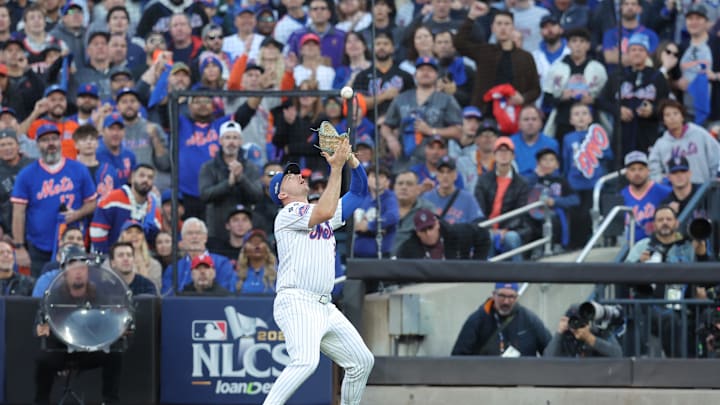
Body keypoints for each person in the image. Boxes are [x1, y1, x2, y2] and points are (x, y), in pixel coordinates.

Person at [262, 139, 374, 405]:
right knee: (305, 361)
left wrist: (351, 160)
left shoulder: (316, 211)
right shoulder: (288, 213)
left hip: (324, 306)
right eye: (290, 176)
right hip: (298, 300)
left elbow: (359, 192)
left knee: (361, 361)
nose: (298, 175)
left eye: (297, 172)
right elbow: (324, 210)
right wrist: (336, 168)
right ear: (281, 193)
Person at [34, 247, 123, 405]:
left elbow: (110, 321)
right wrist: (43, 328)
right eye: (73, 267)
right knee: (43, 359)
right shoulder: (51, 295)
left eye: (82, 268)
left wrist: (117, 327)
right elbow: (38, 328)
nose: (78, 272)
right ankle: (41, 401)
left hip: (91, 348)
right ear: (63, 272)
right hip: (61, 349)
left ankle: (111, 401)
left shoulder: (99, 294)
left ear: (88, 272)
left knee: (115, 354)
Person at [11, 124, 97, 277]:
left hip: (73, 246)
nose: (50, 143)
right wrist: (19, 247)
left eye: (54, 139)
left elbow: (92, 203)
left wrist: (77, 214)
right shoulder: (26, 174)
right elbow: (18, 212)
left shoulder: (78, 169)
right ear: (37, 144)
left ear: (60, 141)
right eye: (45, 140)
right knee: (40, 291)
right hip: (38, 247)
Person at [624, 205, 710, 357]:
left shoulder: (688, 246)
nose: (665, 222)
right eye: (660, 219)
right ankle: (678, 368)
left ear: (676, 223)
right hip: (650, 305)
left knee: (697, 316)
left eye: (669, 219)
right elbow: (622, 276)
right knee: (670, 318)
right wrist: (640, 263)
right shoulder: (643, 246)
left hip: (684, 306)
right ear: (654, 224)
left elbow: (710, 278)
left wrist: (702, 255)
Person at [453, 6, 541, 115]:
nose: (502, 28)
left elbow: (535, 89)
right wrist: (471, 17)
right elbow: (459, 43)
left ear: (513, 28)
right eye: (499, 24)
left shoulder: (525, 57)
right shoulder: (484, 51)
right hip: (485, 113)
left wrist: (523, 98)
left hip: (514, 114)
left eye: (507, 24)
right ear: (492, 28)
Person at [596, 32, 670, 155]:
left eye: (641, 50)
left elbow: (667, 105)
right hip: (621, 138)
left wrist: (653, 110)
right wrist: (617, 110)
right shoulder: (617, 76)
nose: (637, 53)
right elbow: (601, 101)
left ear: (647, 53)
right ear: (628, 53)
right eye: (633, 49)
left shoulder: (657, 77)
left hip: (648, 136)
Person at [382, 57, 463, 166]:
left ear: (436, 75)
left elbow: (458, 131)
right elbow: (386, 125)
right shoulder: (402, 98)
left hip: (435, 164)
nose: (425, 73)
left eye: (430, 70)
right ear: (415, 75)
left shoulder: (446, 99)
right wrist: (391, 139)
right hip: (404, 162)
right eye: (421, 70)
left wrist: (431, 131)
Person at [199, 120, 263, 239]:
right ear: (220, 141)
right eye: (227, 137)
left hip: (244, 232)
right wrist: (228, 184)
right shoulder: (208, 167)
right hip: (217, 230)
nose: (231, 142)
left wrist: (241, 179)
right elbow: (205, 195)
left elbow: (257, 196)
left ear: (241, 141)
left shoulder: (250, 167)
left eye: (235, 138)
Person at [475, 137, 537, 261]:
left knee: (511, 238)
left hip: (514, 228)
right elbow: (478, 209)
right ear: (494, 155)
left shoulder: (522, 183)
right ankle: (485, 277)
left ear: (513, 155)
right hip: (488, 227)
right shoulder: (483, 180)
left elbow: (521, 212)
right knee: (488, 237)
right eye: (500, 151)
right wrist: (491, 229)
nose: (503, 155)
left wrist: (505, 230)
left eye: (507, 151)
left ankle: (517, 276)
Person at [561, 103, 614, 249]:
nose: (581, 117)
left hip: (593, 182)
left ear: (591, 118)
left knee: (590, 214)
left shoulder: (598, 135)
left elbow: (608, 155)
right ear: (570, 120)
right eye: (576, 114)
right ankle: (574, 245)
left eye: (584, 113)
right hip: (574, 183)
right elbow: (565, 160)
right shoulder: (568, 138)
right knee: (575, 215)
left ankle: (592, 242)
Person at [452, 282, 551, 356]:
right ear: (494, 295)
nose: (506, 302)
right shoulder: (477, 320)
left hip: (522, 379)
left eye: (511, 297)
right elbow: (458, 356)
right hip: (487, 380)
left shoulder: (529, 319)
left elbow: (550, 350)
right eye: (502, 296)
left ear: (517, 297)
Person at [90, 163, 162, 254]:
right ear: (132, 178)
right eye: (141, 175)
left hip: (140, 262)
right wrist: (108, 258)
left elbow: (154, 241)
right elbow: (97, 232)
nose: (145, 180)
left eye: (150, 177)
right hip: (110, 260)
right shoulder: (112, 199)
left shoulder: (154, 209)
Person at [648, 100, 720, 184]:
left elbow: (717, 157)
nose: (672, 117)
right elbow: (652, 171)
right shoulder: (660, 144)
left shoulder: (699, 134)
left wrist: (714, 182)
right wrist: (664, 182)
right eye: (667, 115)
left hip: (704, 190)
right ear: (663, 121)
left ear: (682, 116)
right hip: (676, 193)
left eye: (675, 113)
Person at [161, 217, 236, 294]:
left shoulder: (222, 263)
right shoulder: (173, 269)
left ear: (205, 238)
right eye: (189, 233)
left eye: (198, 233)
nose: (194, 237)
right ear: (182, 239)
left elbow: (225, 294)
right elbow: (167, 297)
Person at [395, 207, 490, 259]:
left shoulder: (455, 233)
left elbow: (483, 234)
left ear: (437, 224)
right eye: (423, 230)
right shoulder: (407, 250)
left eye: (430, 227)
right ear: (417, 232)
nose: (428, 233)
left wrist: (475, 267)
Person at [621, 151, 672, 242]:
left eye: (641, 169)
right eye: (632, 169)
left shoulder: (663, 191)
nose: (637, 173)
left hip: (657, 244)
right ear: (626, 173)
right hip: (630, 248)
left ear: (648, 171)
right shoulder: (622, 195)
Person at [352, 165, 400, 258]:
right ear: (368, 179)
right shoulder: (362, 198)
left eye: (381, 177)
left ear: (388, 182)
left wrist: (369, 225)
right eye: (374, 176)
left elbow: (393, 216)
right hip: (357, 253)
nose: (377, 180)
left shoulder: (390, 198)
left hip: (380, 255)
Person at [544, 305, 623, 357]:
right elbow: (547, 359)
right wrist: (559, 332)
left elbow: (618, 354)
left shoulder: (598, 332)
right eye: (573, 321)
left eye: (580, 321)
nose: (577, 325)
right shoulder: (565, 335)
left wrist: (590, 338)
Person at [424, 156, 484, 225]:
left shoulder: (468, 199)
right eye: (441, 172)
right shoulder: (427, 198)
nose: (445, 176)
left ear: (455, 175)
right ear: (437, 175)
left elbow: (478, 224)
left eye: (449, 172)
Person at [391, 170, 436, 255]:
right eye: (400, 183)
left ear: (418, 189)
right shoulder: (382, 207)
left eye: (409, 184)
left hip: (415, 261)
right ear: (394, 188)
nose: (404, 187)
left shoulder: (427, 209)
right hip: (382, 262)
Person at [509, 105, 559, 177]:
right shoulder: (510, 143)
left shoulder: (552, 144)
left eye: (534, 119)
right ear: (519, 124)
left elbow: (556, 173)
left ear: (541, 123)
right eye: (526, 119)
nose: (530, 123)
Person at [0, 128, 34, 232]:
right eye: (2, 145)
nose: (7, 148)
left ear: (18, 146)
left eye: (10, 144)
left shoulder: (33, 165)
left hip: (35, 226)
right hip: (9, 231)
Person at [116, 220, 163, 292]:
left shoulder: (154, 265)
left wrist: (141, 266)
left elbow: (155, 293)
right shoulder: (112, 261)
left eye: (138, 232)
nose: (134, 235)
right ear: (122, 236)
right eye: (129, 232)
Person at [236, 229, 277, 295]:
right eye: (252, 242)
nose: (256, 245)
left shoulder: (278, 272)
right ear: (244, 250)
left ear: (267, 248)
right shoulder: (237, 274)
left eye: (260, 241)